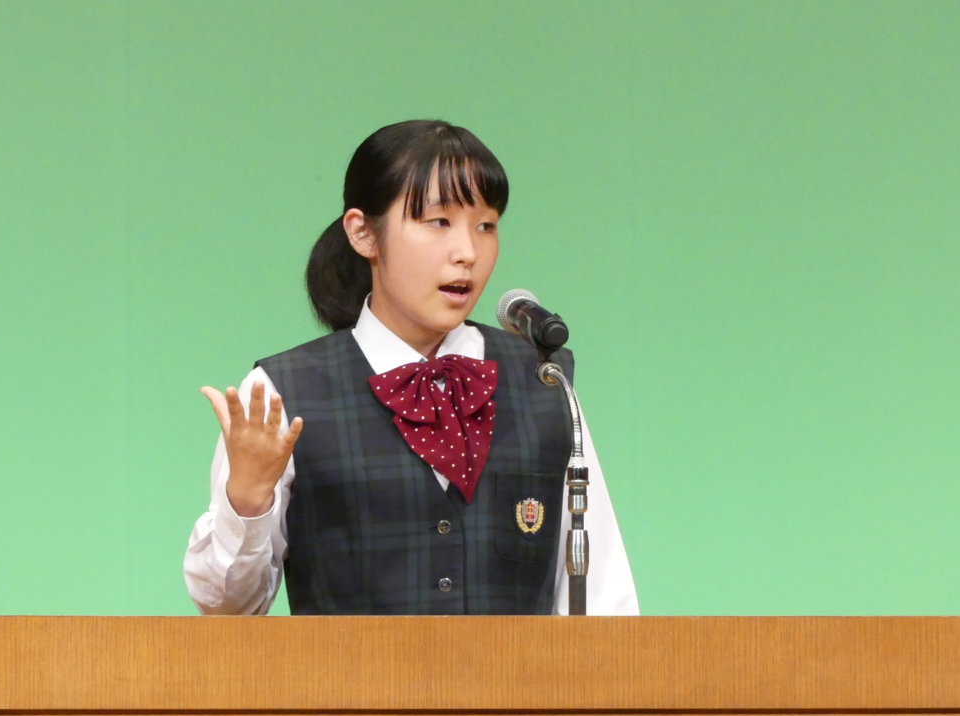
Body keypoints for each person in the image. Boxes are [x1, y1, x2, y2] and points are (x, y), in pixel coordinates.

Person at [184, 119, 638, 615]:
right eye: (438, 222)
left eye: (486, 226)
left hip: (518, 672)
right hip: (350, 671)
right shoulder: (281, 392)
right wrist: (247, 501)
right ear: (363, 233)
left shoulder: (545, 384)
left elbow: (604, 601)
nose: (467, 253)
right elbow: (227, 609)